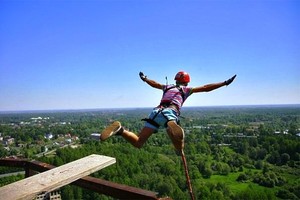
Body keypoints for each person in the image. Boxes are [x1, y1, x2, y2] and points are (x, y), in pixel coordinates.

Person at [100, 71, 236, 152]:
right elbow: (206, 88)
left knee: (138, 142)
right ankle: (173, 130)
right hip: (171, 111)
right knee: (179, 142)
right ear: (187, 82)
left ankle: (120, 130)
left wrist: (145, 79)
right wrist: (224, 83)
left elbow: (154, 84)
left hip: (155, 113)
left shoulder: (167, 87)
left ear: (176, 79)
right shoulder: (187, 90)